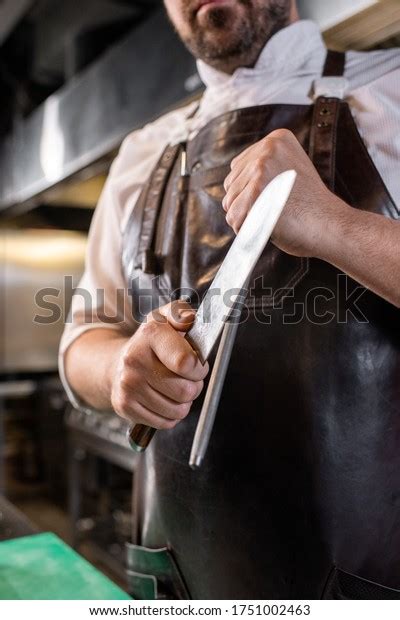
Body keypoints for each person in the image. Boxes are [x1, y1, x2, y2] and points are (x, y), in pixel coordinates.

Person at [59, 0, 400, 599]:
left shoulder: (391, 90)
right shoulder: (143, 153)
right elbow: (82, 338)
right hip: (175, 586)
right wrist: (118, 370)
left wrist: (335, 226)